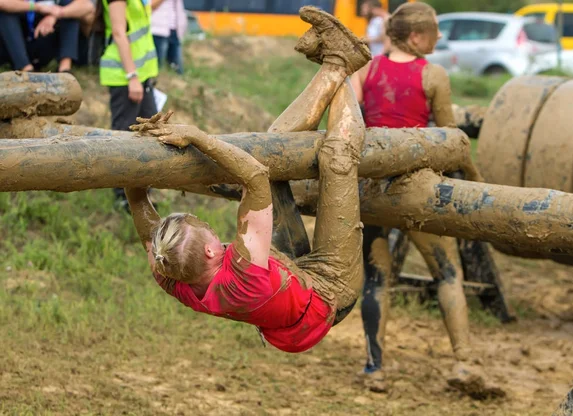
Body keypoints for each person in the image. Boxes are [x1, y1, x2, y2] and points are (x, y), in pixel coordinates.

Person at [124, 7, 372, 353]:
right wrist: (196, 136)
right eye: (204, 225)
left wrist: (133, 170)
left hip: (286, 277)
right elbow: (255, 176)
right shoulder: (242, 273)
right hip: (330, 292)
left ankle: (335, 62)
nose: (209, 225)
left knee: (273, 145)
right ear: (211, 250)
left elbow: (142, 215)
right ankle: (342, 63)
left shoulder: (173, 272)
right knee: (338, 158)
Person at [350, 2, 501, 398]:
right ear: (417, 36)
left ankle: (374, 369)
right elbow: (450, 140)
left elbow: (351, 124)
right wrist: (473, 175)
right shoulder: (433, 75)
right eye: (433, 31)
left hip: (372, 191)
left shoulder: (365, 70)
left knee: (376, 279)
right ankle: (464, 361)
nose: (438, 36)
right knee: (448, 273)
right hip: (414, 191)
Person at [96, 0, 162, 209]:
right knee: (124, 135)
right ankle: (122, 196)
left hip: (141, 74)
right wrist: (132, 76)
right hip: (124, 76)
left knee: (150, 132)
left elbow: (147, 9)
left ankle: (141, 193)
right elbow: (118, 32)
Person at [0, 0, 93, 72]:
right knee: (5, 12)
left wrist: (56, 14)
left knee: (71, 8)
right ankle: (25, 68)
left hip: (44, 38)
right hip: (14, 45)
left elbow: (88, 6)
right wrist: (37, 7)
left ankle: (65, 69)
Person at [151, 0, 187, 74]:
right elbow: (150, 5)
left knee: (177, 68)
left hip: (173, 29)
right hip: (158, 30)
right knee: (157, 66)